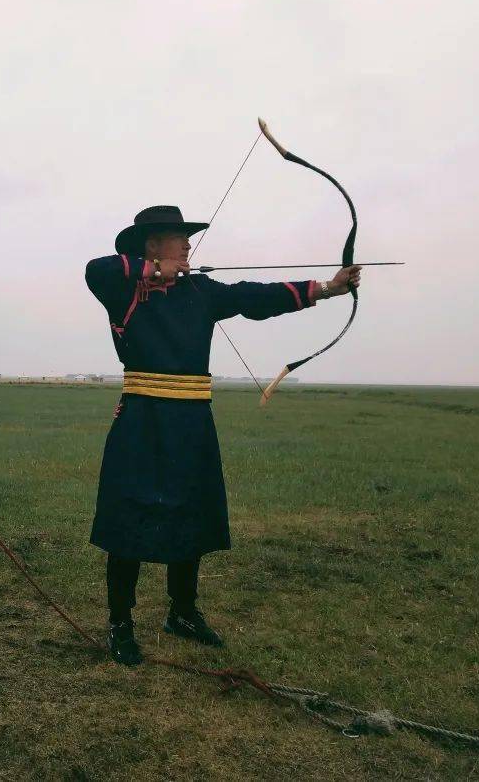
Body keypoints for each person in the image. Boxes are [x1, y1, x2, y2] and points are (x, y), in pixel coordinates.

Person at [85, 205, 361, 665]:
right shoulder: (123, 288)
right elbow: (95, 269)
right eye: (180, 239)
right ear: (154, 245)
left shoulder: (201, 290)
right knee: (129, 520)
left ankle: (183, 611)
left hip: (192, 421)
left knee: (191, 516)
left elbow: (253, 297)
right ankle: (120, 622)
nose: (189, 246)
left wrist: (327, 289)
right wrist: (154, 270)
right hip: (143, 420)